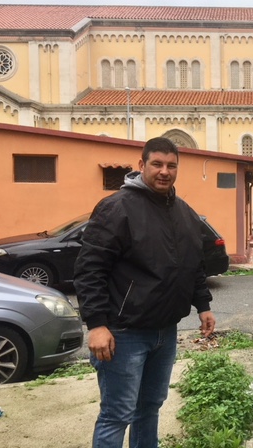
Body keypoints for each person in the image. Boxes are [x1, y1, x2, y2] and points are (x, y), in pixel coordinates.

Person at [74, 137, 215, 448]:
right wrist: (96, 324)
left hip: (165, 332)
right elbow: (89, 269)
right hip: (124, 334)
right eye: (157, 164)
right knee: (117, 414)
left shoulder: (183, 211)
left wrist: (203, 304)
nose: (164, 171)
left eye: (171, 166)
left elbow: (194, 263)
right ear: (142, 165)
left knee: (149, 408)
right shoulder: (116, 208)